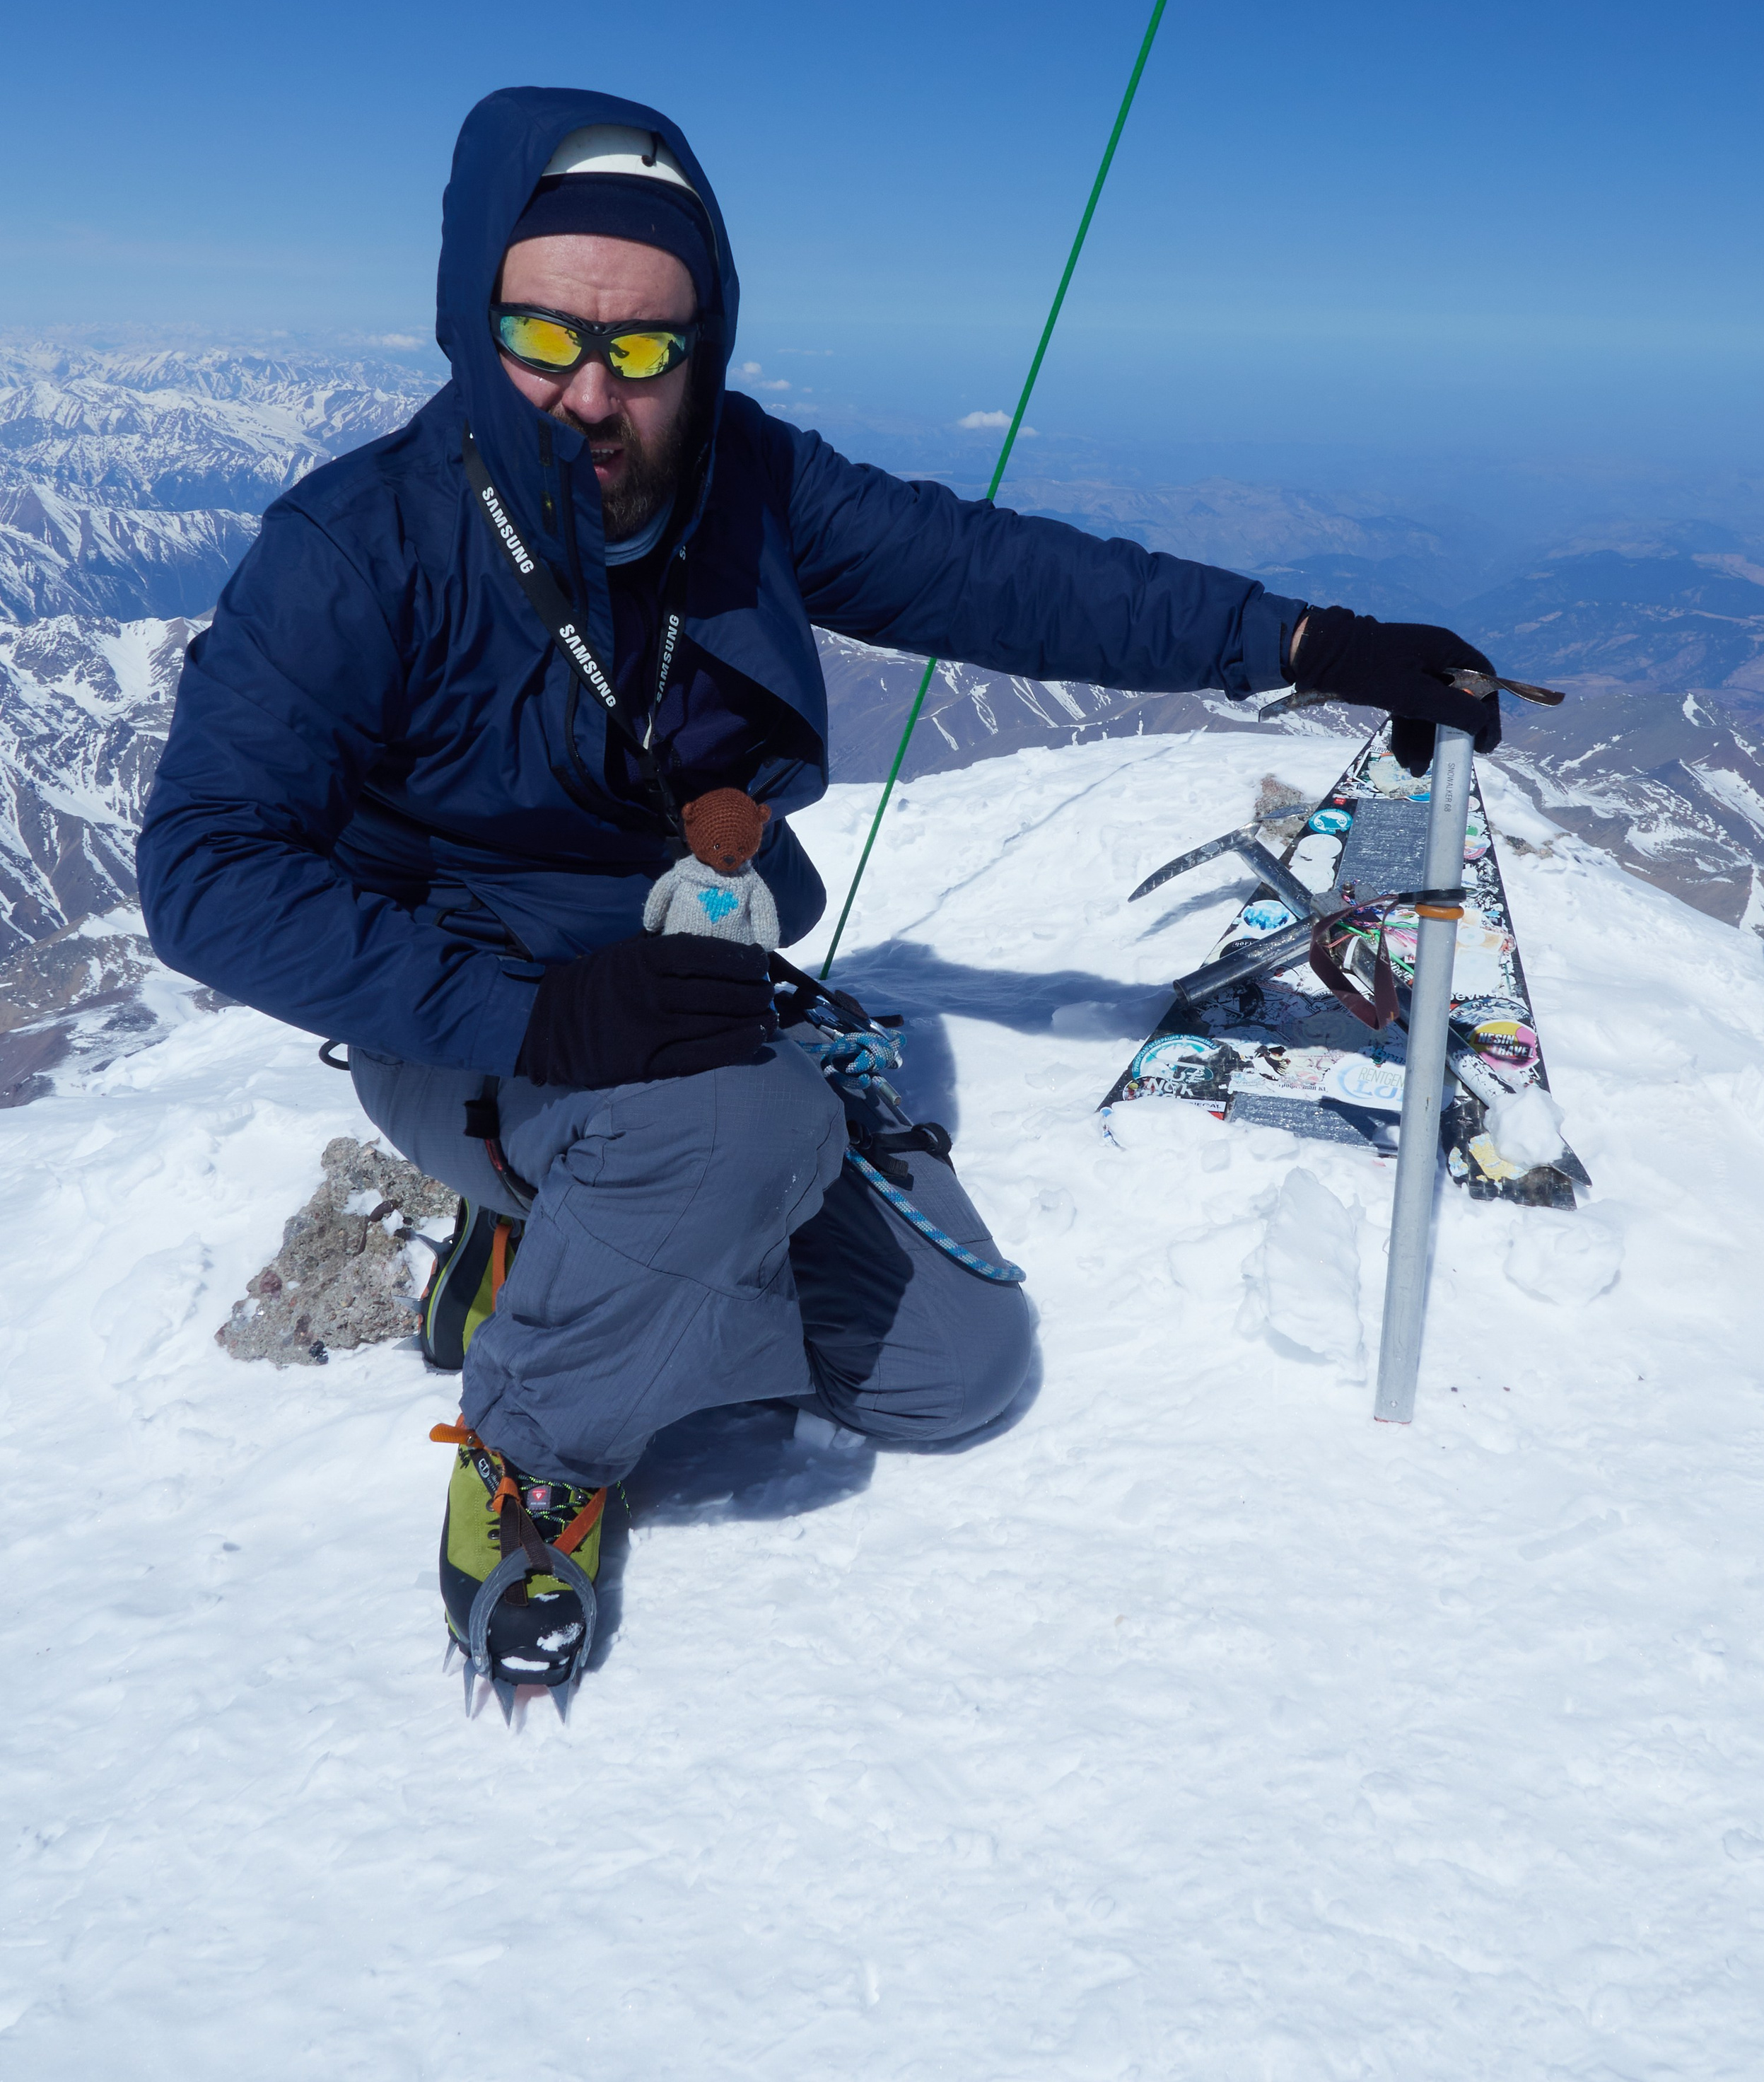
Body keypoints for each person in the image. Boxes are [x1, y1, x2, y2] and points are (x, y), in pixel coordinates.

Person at [138, 85, 1500, 1692]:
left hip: (693, 989)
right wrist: (540, 1012)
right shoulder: (359, 548)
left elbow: (996, 576)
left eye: (646, 347)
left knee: (954, 1373)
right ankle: (531, 1446)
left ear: (703, 348)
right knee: (748, 1127)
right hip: (474, 1017)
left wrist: (1295, 642)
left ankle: (560, 1248)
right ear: (466, 316)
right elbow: (204, 873)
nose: (591, 393)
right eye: (540, 335)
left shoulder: (743, 483)